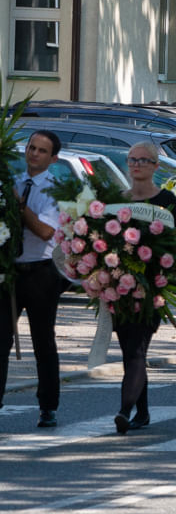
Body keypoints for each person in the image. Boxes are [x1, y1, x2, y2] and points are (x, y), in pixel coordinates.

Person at [114, 142, 176, 434]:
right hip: (119, 290)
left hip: (153, 289)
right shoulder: (117, 201)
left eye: (144, 160)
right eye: (132, 159)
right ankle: (141, 412)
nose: (137, 164)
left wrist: (168, 266)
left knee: (137, 350)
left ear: (156, 166)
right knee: (129, 350)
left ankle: (124, 411)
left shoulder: (166, 200)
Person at [0, 131, 63, 427]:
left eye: (41, 150)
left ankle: (48, 406)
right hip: (9, 271)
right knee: (0, 340)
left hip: (41, 271)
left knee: (43, 342)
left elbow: (45, 231)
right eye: (30, 148)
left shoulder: (54, 190)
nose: (33, 154)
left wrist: (17, 205)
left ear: (53, 159)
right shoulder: (10, 182)